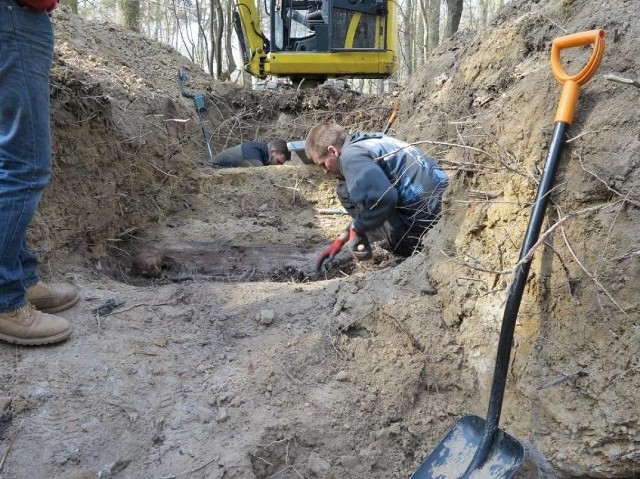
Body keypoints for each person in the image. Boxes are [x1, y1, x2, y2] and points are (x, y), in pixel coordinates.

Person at [0, 0, 79, 346]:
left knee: (9, 160)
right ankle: (5, 300)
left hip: (15, 15)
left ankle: (21, 280)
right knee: (26, 166)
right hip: (16, 14)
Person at [305, 122, 449, 272]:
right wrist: (341, 240)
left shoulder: (350, 157)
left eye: (322, 164)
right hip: (448, 208)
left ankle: (408, 254)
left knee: (345, 189)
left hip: (428, 225)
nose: (325, 171)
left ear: (333, 151)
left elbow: (384, 199)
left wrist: (358, 232)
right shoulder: (372, 141)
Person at [212, 139, 291, 168]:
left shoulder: (259, 149)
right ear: (273, 151)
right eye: (278, 162)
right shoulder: (255, 159)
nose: (278, 166)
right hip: (211, 169)